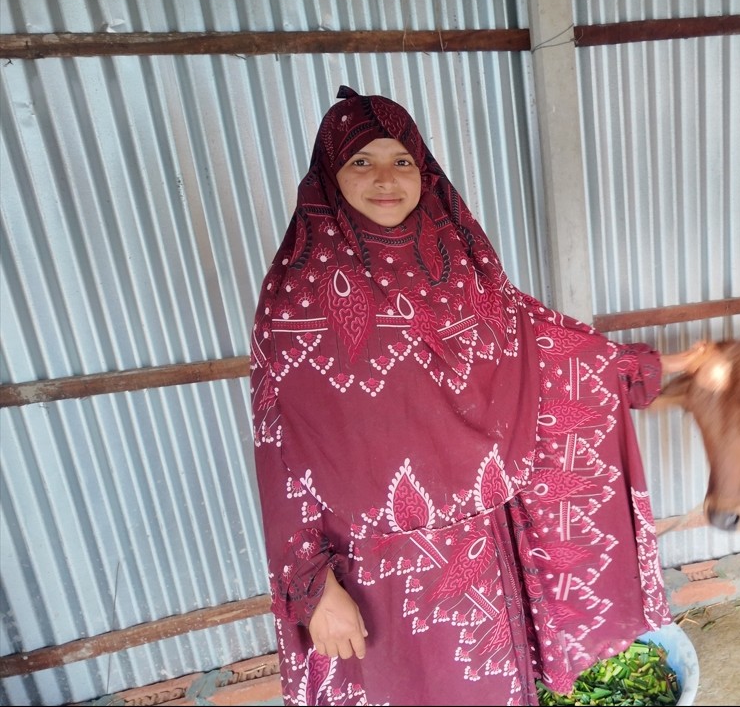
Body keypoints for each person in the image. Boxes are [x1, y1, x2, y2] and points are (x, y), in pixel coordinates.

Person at [249, 85, 693, 705]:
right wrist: (315, 587)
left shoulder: (462, 266)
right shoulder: (298, 297)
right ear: (329, 172)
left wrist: (648, 367)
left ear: (424, 170)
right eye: (361, 161)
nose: (386, 179)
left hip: (484, 551)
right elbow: (280, 456)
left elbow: (543, 345)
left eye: (402, 160)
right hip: (374, 570)